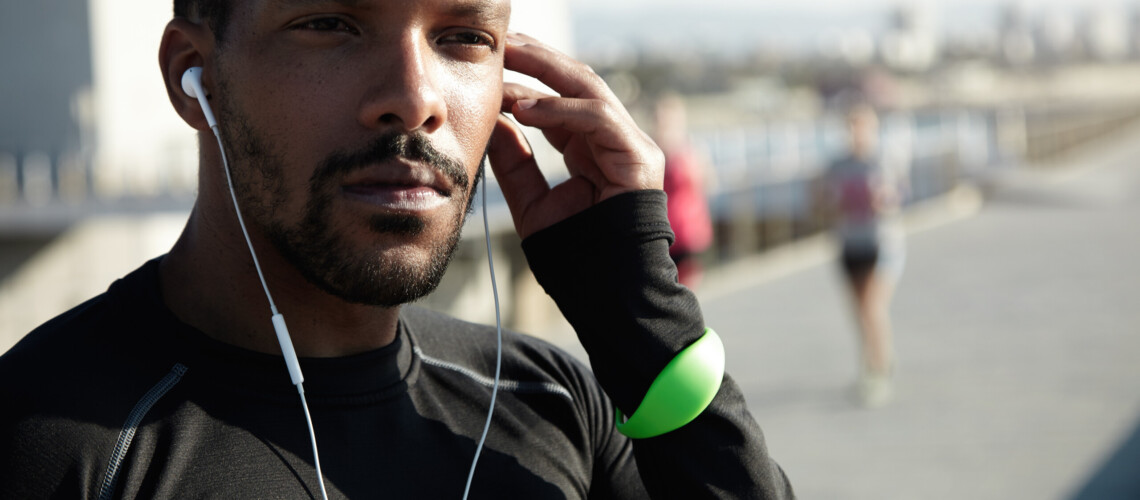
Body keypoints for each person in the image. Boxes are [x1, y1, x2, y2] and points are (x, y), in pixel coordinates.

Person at [0, 1, 794, 498]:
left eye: (462, 36)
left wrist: (644, 323)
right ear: (192, 75)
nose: (414, 98)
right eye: (330, 25)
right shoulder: (52, 445)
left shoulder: (548, 402)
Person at [822, 103, 908, 408]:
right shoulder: (837, 164)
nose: (857, 133)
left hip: (881, 243)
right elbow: (822, 203)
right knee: (860, 313)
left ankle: (878, 370)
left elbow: (898, 195)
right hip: (849, 244)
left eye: (864, 126)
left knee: (873, 308)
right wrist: (833, 203)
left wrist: (884, 200)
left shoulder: (884, 159)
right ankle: (875, 358)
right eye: (852, 126)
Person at [653, 94, 714, 289]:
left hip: (689, 232)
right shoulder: (650, 150)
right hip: (661, 232)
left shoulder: (691, 150)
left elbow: (707, 183)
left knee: (686, 291)